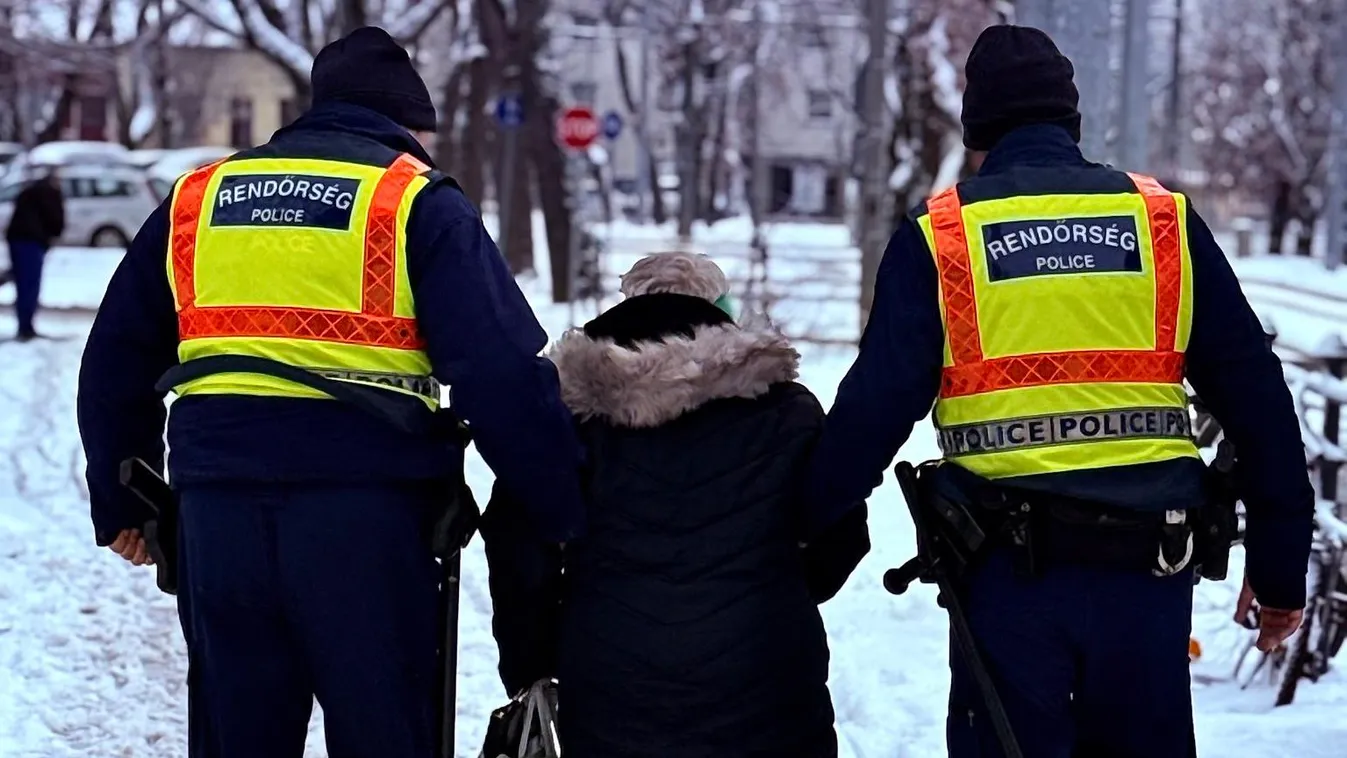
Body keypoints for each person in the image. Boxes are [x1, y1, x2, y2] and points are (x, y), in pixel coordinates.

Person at [805, 25, 1315, 758]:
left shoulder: (942, 238)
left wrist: (793, 528)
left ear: (974, 129)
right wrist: (1278, 567)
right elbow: (1258, 401)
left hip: (1006, 584)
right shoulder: (1162, 224)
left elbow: (868, 417)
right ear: (1071, 123)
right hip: (1149, 576)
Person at [76, 26, 586, 758]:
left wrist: (121, 497)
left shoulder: (198, 200)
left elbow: (116, 356)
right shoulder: (414, 201)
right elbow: (500, 375)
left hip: (218, 515)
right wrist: (561, 506)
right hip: (368, 519)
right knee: (384, 730)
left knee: (236, 734)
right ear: (409, 125)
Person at [481, 252, 870, 758]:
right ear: (715, 306)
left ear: (629, 303)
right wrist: (777, 595)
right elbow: (842, 534)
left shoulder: (567, 415)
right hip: (765, 669)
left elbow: (518, 543)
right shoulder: (789, 412)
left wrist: (531, 658)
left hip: (612, 674)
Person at [6, 165, 64, 341]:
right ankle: (25, 327)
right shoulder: (50, 195)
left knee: (23, 281)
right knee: (29, 284)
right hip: (31, 241)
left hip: (18, 238)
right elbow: (56, 220)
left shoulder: (31, 192)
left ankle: (25, 324)